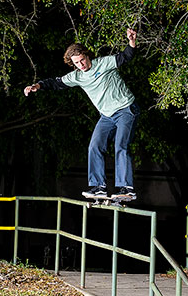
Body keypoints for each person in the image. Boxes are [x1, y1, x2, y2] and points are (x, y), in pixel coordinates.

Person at [24, 28, 140, 202]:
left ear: (87, 56)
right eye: (77, 63)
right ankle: (99, 187)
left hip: (126, 110)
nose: (81, 65)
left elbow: (126, 56)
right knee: (94, 146)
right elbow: (55, 83)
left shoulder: (104, 63)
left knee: (120, 146)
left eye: (82, 60)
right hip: (106, 116)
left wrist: (131, 42)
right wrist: (37, 86)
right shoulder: (77, 76)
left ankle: (126, 189)